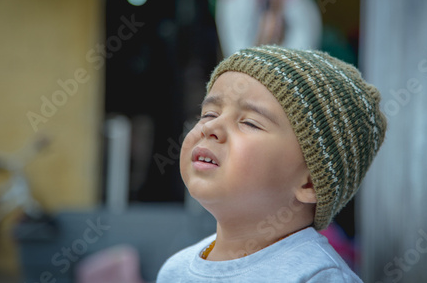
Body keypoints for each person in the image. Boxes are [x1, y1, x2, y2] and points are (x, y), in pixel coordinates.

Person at [156, 45, 387, 282]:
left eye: (250, 122)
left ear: (310, 183)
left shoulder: (316, 276)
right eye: (209, 114)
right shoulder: (175, 271)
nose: (210, 128)